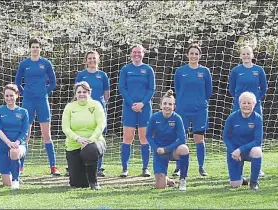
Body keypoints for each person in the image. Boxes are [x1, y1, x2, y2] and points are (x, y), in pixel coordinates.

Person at [14, 38, 60, 176]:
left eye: (37, 47)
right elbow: (17, 82)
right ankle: (21, 167)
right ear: (30, 49)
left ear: (40, 49)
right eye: (33, 47)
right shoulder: (24, 64)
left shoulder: (46, 63)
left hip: (42, 102)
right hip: (28, 102)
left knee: (47, 135)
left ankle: (53, 167)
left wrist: (45, 91)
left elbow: (53, 82)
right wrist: (24, 93)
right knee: (26, 135)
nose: (35, 49)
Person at [227, 45, 267, 177]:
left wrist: (253, 101)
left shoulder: (259, 70)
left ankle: (258, 166)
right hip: (239, 106)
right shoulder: (236, 71)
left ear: (252, 55)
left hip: (255, 106)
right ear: (240, 56)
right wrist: (242, 101)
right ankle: (238, 163)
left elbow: (264, 88)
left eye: (248, 54)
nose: (246, 56)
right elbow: (232, 89)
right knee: (237, 133)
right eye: (243, 54)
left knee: (256, 136)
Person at [172, 44, 211, 177]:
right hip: (183, 109)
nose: (194, 56)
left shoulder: (205, 71)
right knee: (181, 139)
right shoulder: (180, 71)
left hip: (200, 110)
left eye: (196, 54)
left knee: (199, 139)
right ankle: (178, 167)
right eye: (191, 53)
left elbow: (208, 91)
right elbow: (177, 88)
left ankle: (201, 167)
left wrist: (201, 102)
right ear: (187, 55)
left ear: (200, 56)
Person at [118, 44, 155, 178]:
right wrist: (132, 103)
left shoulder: (148, 69)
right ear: (130, 54)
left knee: (145, 138)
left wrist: (142, 103)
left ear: (143, 54)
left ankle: (145, 168)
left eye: (139, 52)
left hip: (144, 108)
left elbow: (151, 89)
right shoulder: (125, 69)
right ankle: (125, 169)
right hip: (129, 108)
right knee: (127, 138)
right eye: (134, 52)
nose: (136, 54)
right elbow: (122, 88)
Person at [62, 82, 107, 190]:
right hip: (74, 145)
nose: (82, 94)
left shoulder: (96, 105)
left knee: (89, 150)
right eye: (79, 92)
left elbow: (101, 124)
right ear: (75, 94)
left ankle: (94, 182)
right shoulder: (69, 107)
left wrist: (90, 140)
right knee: (78, 184)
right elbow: (65, 127)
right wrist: (78, 138)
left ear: (89, 92)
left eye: (84, 92)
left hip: (94, 142)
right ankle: (82, 176)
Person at [73, 50, 110, 177]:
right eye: (89, 58)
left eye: (94, 58)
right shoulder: (81, 75)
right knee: (83, 134)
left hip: (98, 109)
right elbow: (77, 92)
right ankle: (80, 165)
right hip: (83, 109)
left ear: (98, 60)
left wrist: (98, 105)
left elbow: (106, 94)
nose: (92, 60)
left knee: (98, 136)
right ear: (86, 60)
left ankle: (99, 167)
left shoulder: (103, 75)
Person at [145, 90, 190, 191]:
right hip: (159, 152)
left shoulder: (177, 118)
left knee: (184, 149)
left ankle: (182, 180)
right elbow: (148, 135)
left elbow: (182, 138)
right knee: (160, 186)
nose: (167, 106)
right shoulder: (154, 117)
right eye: (165, 103)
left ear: (174, 106)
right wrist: (157, 148)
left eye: (170, 104)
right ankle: (165, 178)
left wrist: (166, 149)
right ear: (160, 105)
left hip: (172, 151)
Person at [223, 92, 264, 191]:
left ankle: (254, 182)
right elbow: (225, 137)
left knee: (257, 151)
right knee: (235, 185)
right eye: (244, 103)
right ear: (239, 104)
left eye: (249, 103)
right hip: (234, 152)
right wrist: (233, 151)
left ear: (254, 105)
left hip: (248, 151)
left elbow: (258, 141)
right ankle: (240, 178)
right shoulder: (232, 117)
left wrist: (240, 150)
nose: (246, 105)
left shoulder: (257, 118)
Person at [0, 84, 29, 190]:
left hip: (19, 144)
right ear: (4, 96)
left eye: (11, 95)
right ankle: (13, 176)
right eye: (7, 96)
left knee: (14, 151)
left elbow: (25, 132)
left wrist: (17, 142)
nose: (9, 98)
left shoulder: (23, 112)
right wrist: (8, 142)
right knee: (6, 183)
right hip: (3, 146)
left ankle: (16, 180)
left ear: (17, 95)